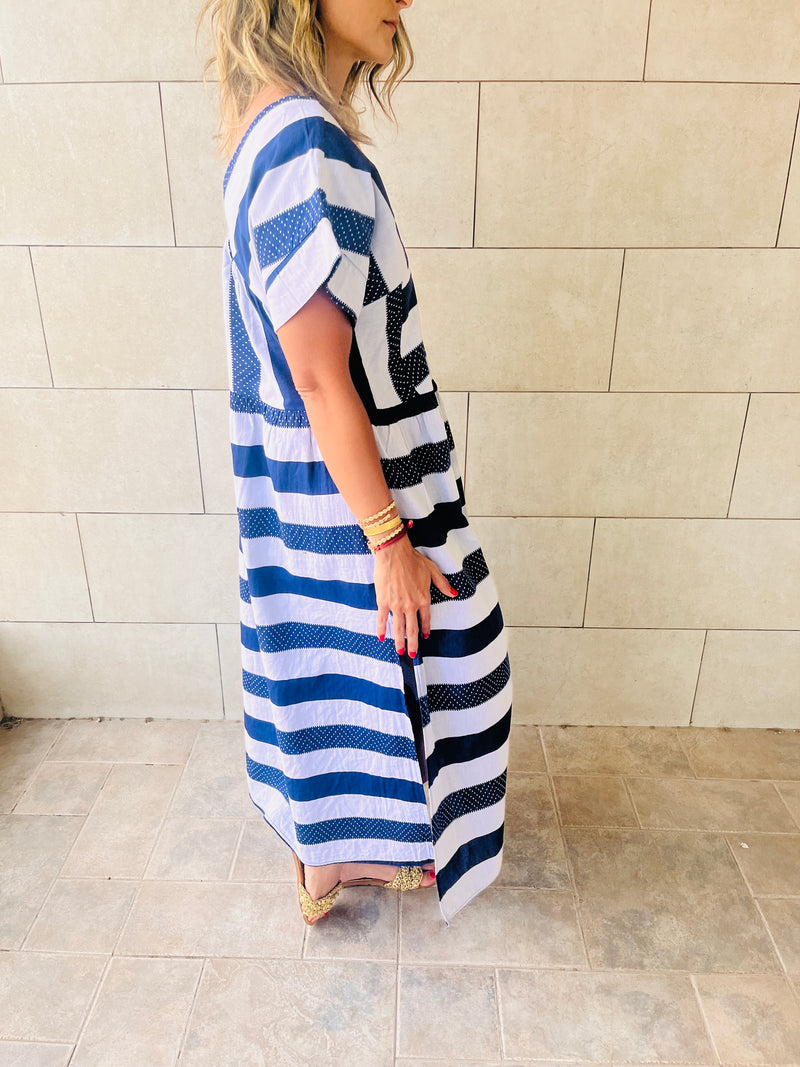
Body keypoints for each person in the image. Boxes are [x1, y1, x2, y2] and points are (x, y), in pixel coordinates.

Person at [197, 0, 512, 926]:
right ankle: (343, 854)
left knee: (337, 662)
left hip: (308, 477)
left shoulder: (271, 125)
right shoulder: (303, 145)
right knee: (457, 655)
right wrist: (388, 538)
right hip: (356, 484)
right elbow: (316, 375)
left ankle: (332, 859)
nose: (404, 0)